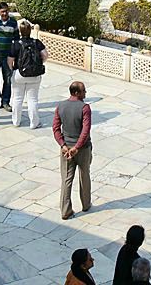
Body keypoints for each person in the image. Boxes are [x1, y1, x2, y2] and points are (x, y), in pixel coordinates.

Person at [54, 81, 93, 219]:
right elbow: (85, 131)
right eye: (83, 91)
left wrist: (63, 146)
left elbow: (56, 129)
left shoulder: (60, 106)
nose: (85, 94)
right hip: (82, 149)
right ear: (76, 92)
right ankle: (86, 204)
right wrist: (77, 147)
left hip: (66, 150)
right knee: (84, 176)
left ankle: (65, 210)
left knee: (66, 179)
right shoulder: (85, 108)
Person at [7, 19, 46, 128]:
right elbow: (45, 55)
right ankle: (34, 123)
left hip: (19, 74)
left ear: (20, 31)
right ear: (30, 31)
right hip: (34, 75)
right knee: (32, 99)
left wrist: (12, 70)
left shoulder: (15, 44)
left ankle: (16, 121)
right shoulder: (36, 42)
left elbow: (10, 60)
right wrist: (38, 64)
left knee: (17, 99)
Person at [0, 1, 18, 110]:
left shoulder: (13, 22)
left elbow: (16, 39)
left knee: (7, 80)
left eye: (6, 11)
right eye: (2, 12)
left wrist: (16, 56)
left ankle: (5, 102)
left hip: (8, 56)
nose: (5, 14)